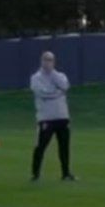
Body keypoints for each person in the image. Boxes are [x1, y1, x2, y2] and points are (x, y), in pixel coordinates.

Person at [30, 52, 75, 181]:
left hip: (62, 116)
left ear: (54, 62)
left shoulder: (60, 75)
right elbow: (42, 93)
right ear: (41, 61)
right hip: (46, 118)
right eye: (45, 60)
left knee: (64, 147)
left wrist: (53, 76)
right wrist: (57, 92)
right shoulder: (36, 78)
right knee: (41, 146)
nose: (47, 62)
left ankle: (66, 173)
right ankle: (35, 174)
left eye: (50, 60)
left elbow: (65, 86)